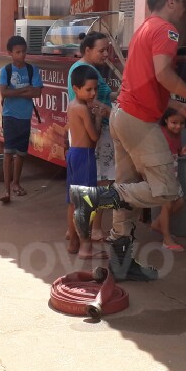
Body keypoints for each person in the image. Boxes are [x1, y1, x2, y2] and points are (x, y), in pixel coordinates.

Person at [69, 0, 186, 281]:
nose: (185, 9)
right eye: (183, 2)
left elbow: (146, 83)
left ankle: (121, 264)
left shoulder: (145, 28)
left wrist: (175, 106)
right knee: (166, 188)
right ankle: (93, 198)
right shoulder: (166, 30)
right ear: (172, 1)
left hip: (124, 116)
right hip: (138, 121)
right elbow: (163, 74)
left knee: (128, 192)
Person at [66, 32, 115, 242]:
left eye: (107, 50)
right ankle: (92, 231)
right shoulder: (82, 71)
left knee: (80, 192)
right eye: (101, 50)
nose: (106, 54)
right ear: (87, 50)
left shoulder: (88, 70)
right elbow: (90, 104)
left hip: (85, 142)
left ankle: (76, 232)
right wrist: (103, 112)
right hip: (91, 138)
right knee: (99, 184)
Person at [65, 65, 107, 260]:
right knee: (87, 203)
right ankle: (85, 246)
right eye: (89, 89)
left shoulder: (72, 105)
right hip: (85, 156)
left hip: (73, 154)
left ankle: (74, 242)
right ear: (76, 88)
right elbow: (94, 136)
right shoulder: (82, 109)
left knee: (73, 201)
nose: (93, 93)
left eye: (95, 89)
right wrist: (98, 117)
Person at [0, 35, 43, 203]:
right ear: (10, 53)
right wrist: (25, 90)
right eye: (18, 52)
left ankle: (16, 183)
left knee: (21, 153)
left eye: (24, 52)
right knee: (8, 152)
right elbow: (4, 92)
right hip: (9, 115)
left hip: (25, 116)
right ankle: (6, 189)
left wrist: (15, 91)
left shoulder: (32, 70)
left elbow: (37, 93)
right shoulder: (6, 70)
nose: (22, 55)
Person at [151, 108, 186, 251]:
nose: (178, 126)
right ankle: (167, 239)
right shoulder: (160, 133)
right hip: (163, 171)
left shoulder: (177, 134)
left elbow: (175, 151)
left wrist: (181, 152)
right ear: (166, 121)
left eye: (181, 123)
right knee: (167, 205)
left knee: (180, 201)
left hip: (172, 172)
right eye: (174, 122)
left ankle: (158, 224)